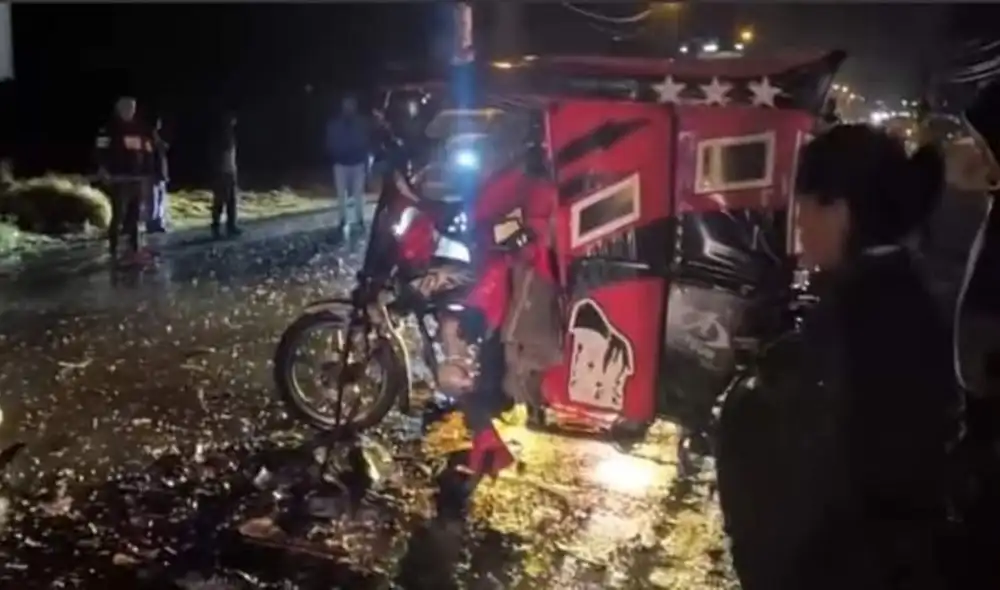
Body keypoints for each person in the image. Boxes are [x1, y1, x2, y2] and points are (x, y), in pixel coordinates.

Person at [718, 125, 960, 590]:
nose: (799, 224)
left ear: (840, 211)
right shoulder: (905, 296)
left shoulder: (863, 320)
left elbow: (813, 493)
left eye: (805, 206)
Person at [94, 96, 155, 264]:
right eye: (127, 107)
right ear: (119, 109)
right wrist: (103, 170)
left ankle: (135, 249)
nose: (130, 111)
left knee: (135, 215)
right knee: (118, 214)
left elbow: (148, 151)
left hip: (136, 178)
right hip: (118, 179)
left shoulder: (140, 128)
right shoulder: (108, 129)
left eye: (132, 108)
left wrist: (149, 172)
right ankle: (113, 248)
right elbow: (100, 151)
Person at [326, 94, 372, 234]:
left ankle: (359, 219)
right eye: (346, 105)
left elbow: (367, 141)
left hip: (357, 163)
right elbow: (330, 142)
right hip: (341, 163)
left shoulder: (361, 123)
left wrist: (365, 159)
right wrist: (335, 153)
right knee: (341, 194)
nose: (349, 108)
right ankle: (343, 219)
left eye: (351, 105)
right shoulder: (335, 124)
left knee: (358, 194)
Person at [211, 112, 240, 239]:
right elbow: (221, 155)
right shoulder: (222, 137)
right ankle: (217, 226)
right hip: (223, 172)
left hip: (230, 171)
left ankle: (230, 225)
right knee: (221, 200)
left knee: (231, 200)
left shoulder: (230, 136)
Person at [146, 116, 169, 233]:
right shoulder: (148, 140)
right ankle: (151, 223)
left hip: (160, 172)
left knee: (159, 199)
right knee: (153, 200)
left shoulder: (158, 139)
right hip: (153, 173)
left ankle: (158, 222)